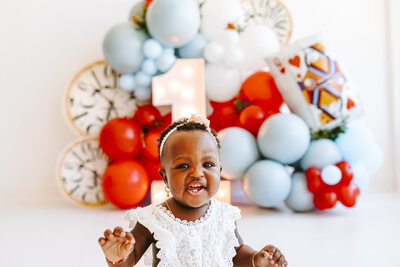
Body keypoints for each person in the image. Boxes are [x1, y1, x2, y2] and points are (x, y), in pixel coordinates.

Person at [98, 115, 288, 267]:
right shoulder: (153, 218)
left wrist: (256, 259)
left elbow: (236, 254)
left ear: (219, 171)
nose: (197, 173)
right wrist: (117, 257)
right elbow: (131, 258)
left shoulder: (224, 215)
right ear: (165, 177)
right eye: (182, 166)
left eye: (207, 164)